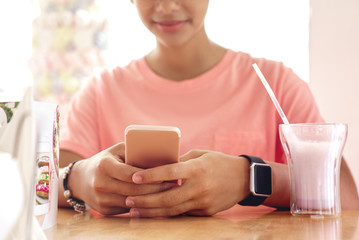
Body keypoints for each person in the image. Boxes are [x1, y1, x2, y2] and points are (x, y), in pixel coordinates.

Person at [58, 0, 359, 217]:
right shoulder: (100, 92)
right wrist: (78, 179)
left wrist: (248, 179)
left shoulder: (276, 82)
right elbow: (40, 187)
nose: (165, 6)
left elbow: (344, 200)